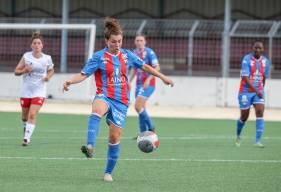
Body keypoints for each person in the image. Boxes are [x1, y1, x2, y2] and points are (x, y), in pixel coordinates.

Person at [63, 18, 174, 182]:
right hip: (104, 95)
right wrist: (70, 81)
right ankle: (90, 146)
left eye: (120, 41)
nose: (117, 44)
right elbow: (84, 74)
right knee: (97, 110)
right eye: (114, 41)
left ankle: (108, 173)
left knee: (114, 138)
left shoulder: (127, 55)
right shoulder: (99, 57)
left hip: (121, 102)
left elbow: (145, 67)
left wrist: (163, 77)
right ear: (106, 41)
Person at [14, 32, 55, 146]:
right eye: (34, 43)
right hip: (26, 91)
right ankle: (25, 127)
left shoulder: (47, 58)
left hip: (39, 91)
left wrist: (48, 77)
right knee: (24, 117)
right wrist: (24, 71)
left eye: (39, 43)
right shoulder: (26, 56)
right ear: (31, 45)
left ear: (42, 45)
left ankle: (26, 139)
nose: (37, 45)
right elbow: (16, 71)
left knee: (32, 114)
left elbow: (51, 70)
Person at [235, 41, 269, 148]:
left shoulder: (265, 61)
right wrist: (257, 90)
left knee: (260, 111)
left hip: (258, 91)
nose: (257, 50)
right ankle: (238, 135)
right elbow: (245, 78)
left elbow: (264, 77)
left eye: (260, 48)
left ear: (263, 49)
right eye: (256, 48)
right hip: (245, 91)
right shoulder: (247, 59)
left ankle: (257, 141)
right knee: (244, 116)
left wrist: (261, 89)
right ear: (252, 48)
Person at [129, 34, 160, 137]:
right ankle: (143, 134)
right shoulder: (134, 53)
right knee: (141, 109)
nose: (139, 42)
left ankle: (151, 128)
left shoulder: (150, 52)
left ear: (145, 42)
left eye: (141, 40)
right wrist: (129, 81)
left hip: (148, 84)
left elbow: (157, 68)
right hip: (138, 85)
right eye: (137, 40)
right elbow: (133, 69)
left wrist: (148, 79)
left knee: (137, 106)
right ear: (135, 42)